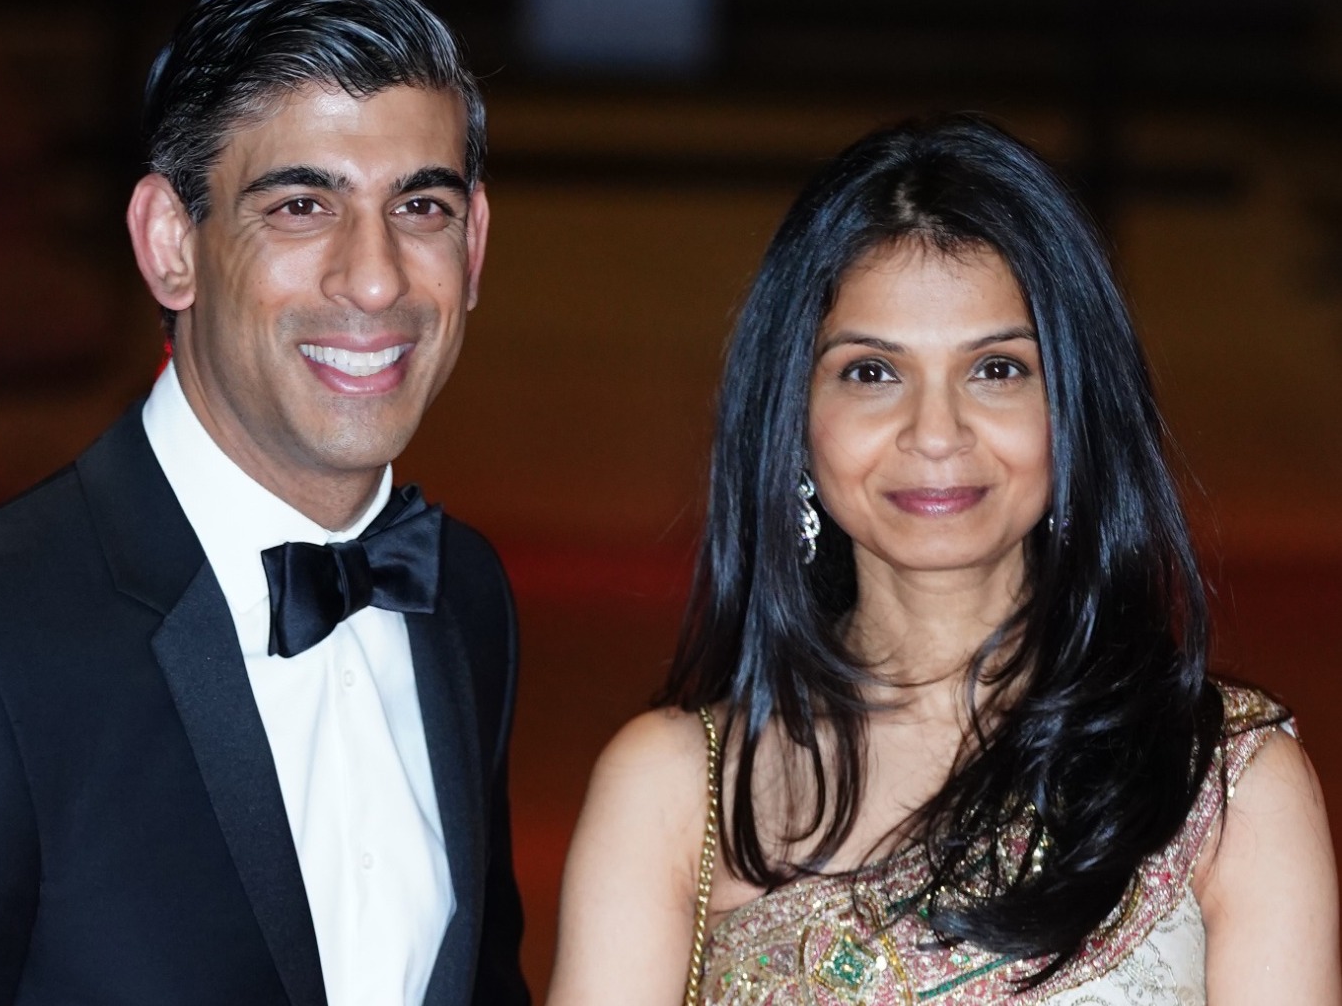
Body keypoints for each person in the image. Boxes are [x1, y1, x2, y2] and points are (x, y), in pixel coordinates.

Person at [0, 0, 529, 1004]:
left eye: (421, 207)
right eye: (301, 206)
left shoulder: (462, 597)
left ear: (474, 244)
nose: (375, 279)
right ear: (170, 245)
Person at [547, 115, 1340, 1004]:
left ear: (1074, 409)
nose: (935, 433)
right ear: (795, 418)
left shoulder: (1221, 786)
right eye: (872, 372)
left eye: (997, 369)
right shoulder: (675, 794)